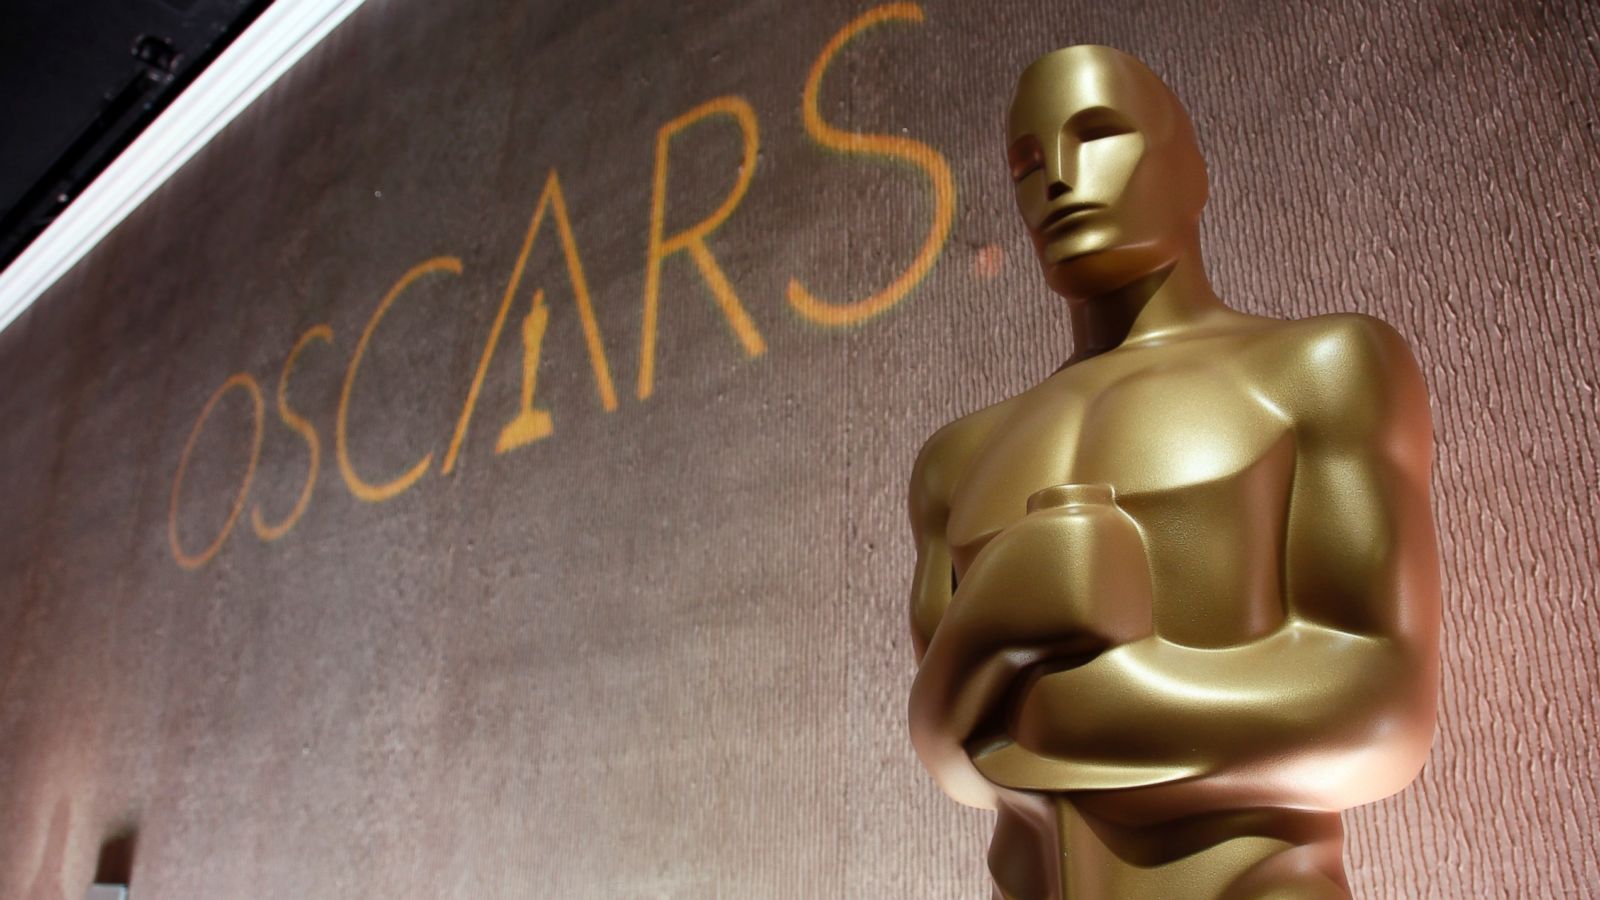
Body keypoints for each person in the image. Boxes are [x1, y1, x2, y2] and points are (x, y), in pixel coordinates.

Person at [906, 45, 1442, 899]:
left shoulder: (1318, 369)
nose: (1058, 180)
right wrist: (1003, 606)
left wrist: (1099, 697)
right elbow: (945, 754)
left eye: (1099, 135)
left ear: (1191, 170)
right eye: (1027, 163)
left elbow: (1385, 712)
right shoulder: (958, 459)